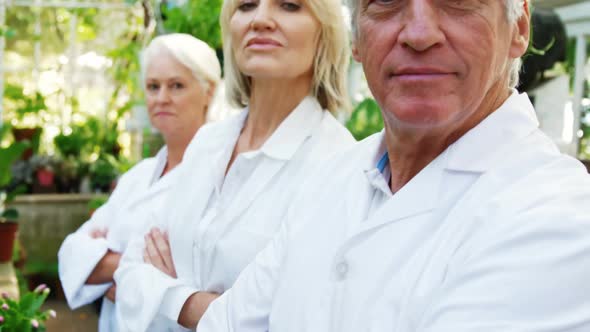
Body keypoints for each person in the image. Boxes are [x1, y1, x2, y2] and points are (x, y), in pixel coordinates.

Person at [197, 0, 590, 331]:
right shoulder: (333, 176)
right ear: (356, 37)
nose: (419, 34)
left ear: (518, 27)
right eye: (386, 0)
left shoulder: (560, 219)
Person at [114, 0, 355, 330]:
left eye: (288, 5)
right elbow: (130, 270)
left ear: (325, 33)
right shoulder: (205, 143)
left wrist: (169, 297)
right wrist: (219, 307)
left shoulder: (339, 164)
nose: (260, 19)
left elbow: (289, 320)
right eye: (246, 5)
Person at [57, 33, 221, 332]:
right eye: (153, 86)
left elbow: (202, 284)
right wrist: (142, 275)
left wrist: (108, 268)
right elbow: (71, 253)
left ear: (209, 91)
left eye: (177, 86)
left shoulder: (219, 178)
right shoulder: (138, 176)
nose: (161, 98)